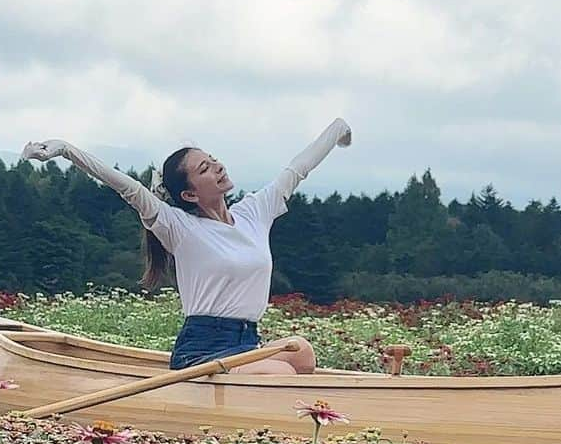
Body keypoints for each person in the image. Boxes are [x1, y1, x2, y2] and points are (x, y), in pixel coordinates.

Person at [21, 118, 351, 373]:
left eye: (213, 160)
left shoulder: (254, 212)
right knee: (279, 372)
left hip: (248, 342)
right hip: (203, 350)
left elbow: (296, 170)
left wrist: (338, 129)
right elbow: (129, 189)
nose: (217, 166)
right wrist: (65, 149)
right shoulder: (180, 228)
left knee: (302, 352)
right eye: (204, 168)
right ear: (190, 194)